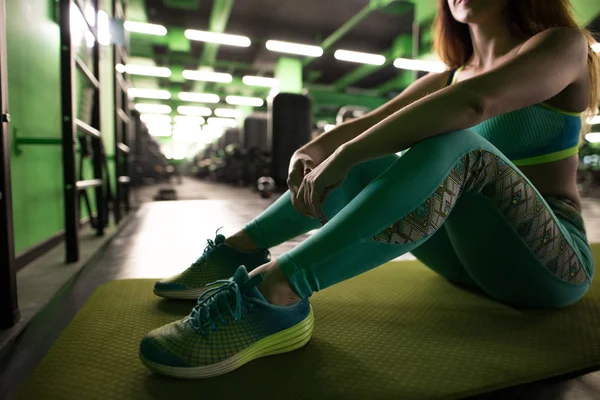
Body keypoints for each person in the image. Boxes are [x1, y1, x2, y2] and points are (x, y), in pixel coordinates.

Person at [139, 0, 599, 379]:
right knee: (371, 159)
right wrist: (314, 149)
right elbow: (370, 123)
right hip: (466, 264)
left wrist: (346, 153)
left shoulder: (563, 46)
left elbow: (474, 104)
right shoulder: (448, 77)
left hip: (550, 265)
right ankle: (240, 249)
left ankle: (277, 292)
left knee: (456, 143)